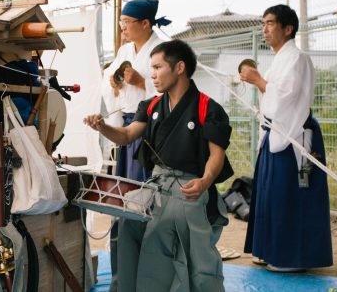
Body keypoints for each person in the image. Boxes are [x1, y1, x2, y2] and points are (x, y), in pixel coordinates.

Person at [85, 40, 233, 292]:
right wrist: (103, 127)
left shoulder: (208, 108)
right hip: (156, 186)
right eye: (151, 68)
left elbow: (216, 156)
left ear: (179, 68)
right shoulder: (151, 105)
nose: (151, 74)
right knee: (126, 223)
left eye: (157, 67)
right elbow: (126, 135)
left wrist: (204, 182)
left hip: (191, 187)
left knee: (184, 241)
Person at [240, 4, 333, 271]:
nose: (264, 29)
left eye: (270, 23)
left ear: (287, 28)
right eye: (263, 23)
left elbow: (288, 98)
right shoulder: (280, 59)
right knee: (271, 194)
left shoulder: (298, 58)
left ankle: (292, 257)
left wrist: (258, 80)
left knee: (289, 196)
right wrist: (259, 82)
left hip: (294, 134)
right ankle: (270, 249)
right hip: (276, 133)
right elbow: (273, 99)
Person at [101, 0, 169, 182]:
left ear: (145, 23)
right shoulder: (124, 51)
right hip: (127, 124)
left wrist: (141, 82)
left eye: (126, 22)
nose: (122, 27)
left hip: (149, 126)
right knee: (126, 184)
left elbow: (171, 89)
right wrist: (114, 84)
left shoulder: (162, 50)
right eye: (120, 22)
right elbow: (110, 82)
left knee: (142, 184)